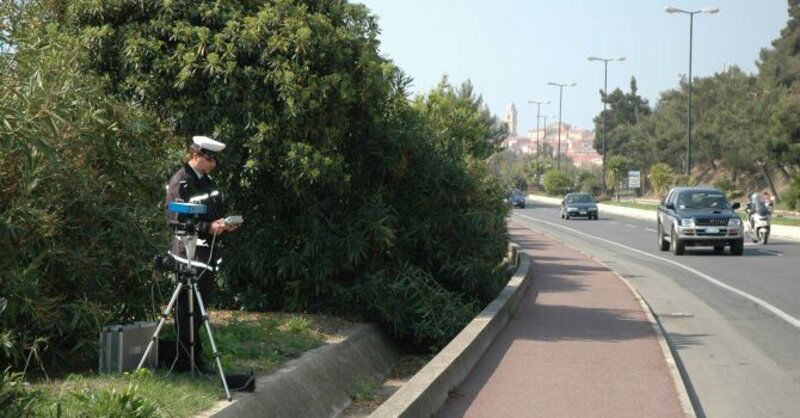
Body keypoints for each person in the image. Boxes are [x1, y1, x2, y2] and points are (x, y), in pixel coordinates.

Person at [165, 135, 238, 373]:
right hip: (188, 253)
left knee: (200, 310)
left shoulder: (208, 182)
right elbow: (175, 220)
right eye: (210, 158)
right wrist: (209, 228)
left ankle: (195, 360)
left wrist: (223, 225)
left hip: (207, 254)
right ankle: (184, 362)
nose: (213, 164)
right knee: (187, 310)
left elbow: (214, 212)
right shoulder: (180, 182)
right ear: (195, 154)